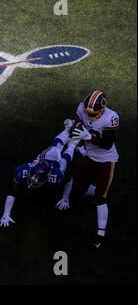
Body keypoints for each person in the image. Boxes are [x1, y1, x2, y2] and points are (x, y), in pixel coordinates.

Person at [0, 124, 80, 227]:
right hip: (44, 158)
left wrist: (65, 198)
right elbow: (12, 191)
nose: (33, 181)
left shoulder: (56, 175)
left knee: (59, 154)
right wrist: (6, 214)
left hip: (53, 160)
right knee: (54, 148)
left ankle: (72, 143)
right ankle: (67, 130)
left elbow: (70, 179)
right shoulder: (23, 170)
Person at [67, 91, 119, 249]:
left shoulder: (110, 117)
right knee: (77, 189)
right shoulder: (82, 109)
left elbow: (108, 143)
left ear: (102, 110)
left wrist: (88, 137)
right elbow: (78, 123)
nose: (89, 116)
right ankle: (101, 190)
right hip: (90, 156)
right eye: (87, 112)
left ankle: (100, 235)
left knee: (99, 199)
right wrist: (73, 128)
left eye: (92, 113)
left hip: (106, 160)